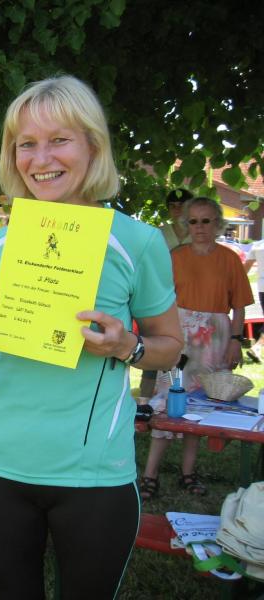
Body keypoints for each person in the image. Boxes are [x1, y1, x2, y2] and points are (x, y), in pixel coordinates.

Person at [0, 75, 183, 599]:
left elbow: (170, 346)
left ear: (93, 146)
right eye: (26, 144)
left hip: (93, 475)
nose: (41, 158)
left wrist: (127, 346)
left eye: (59, 139)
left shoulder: (137, 241)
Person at [140, 196, 254, 499]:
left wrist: (235, 341)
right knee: (167, 402)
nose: (200, 227)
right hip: (179, 334)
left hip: (215, 338)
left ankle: (188, 473)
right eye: (193, 221)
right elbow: (159, 300)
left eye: (206, 221)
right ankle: (150, 474)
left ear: (217, 224)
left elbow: (239, 306)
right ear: (185, 224)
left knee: (200, 406)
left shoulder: (230, 259)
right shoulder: (175, 257)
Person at [137, 188, 194, 401]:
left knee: (190, 358)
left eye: (182, 205)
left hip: (192, 302)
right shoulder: (158, 234)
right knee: (154, 350)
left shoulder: (198, 233)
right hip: (160, 300)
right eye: (173, 206)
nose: (177, 209)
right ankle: (145, 400)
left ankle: (187, 401)